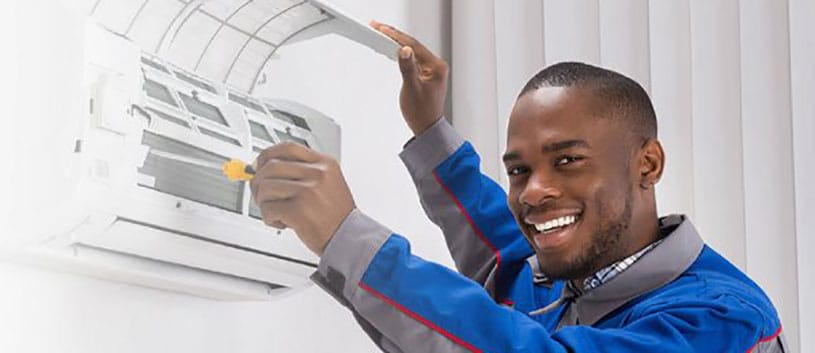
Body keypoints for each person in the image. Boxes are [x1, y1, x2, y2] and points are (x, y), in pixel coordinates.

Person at [249, 21, 787, 352]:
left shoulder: (723, 321)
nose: (533, 192)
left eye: (568, 160)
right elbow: (497, 241)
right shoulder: (568, 272)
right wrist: (430, 132)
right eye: (519, 170)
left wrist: (347, 236)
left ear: (648, 165)